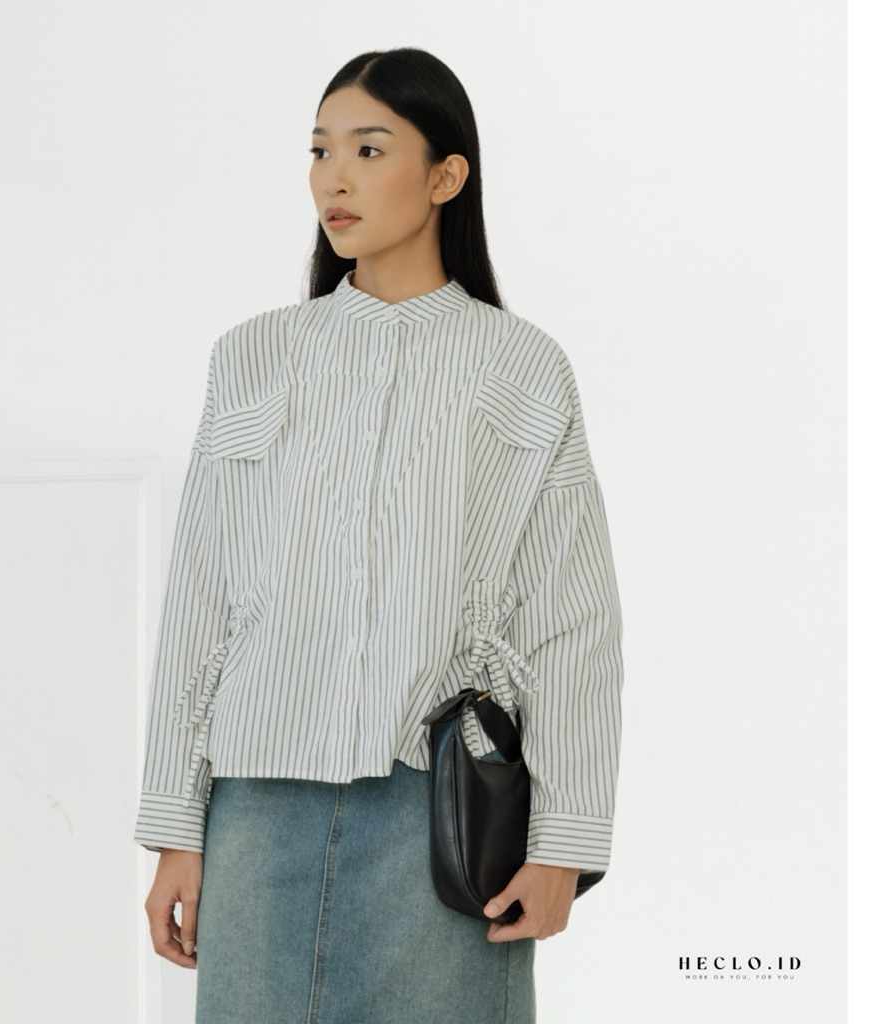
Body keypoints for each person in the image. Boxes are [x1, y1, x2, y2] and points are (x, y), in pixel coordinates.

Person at [134, 47, 624, 1024]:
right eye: (320, 151)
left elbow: (571, 618)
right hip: (256, 810)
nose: (335, 178)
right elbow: (201, 595)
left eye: (368, 148)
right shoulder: (254, 357)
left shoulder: (521, 367)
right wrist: (176, 826)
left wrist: (562, 841)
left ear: (445, 176)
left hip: (439, 812)